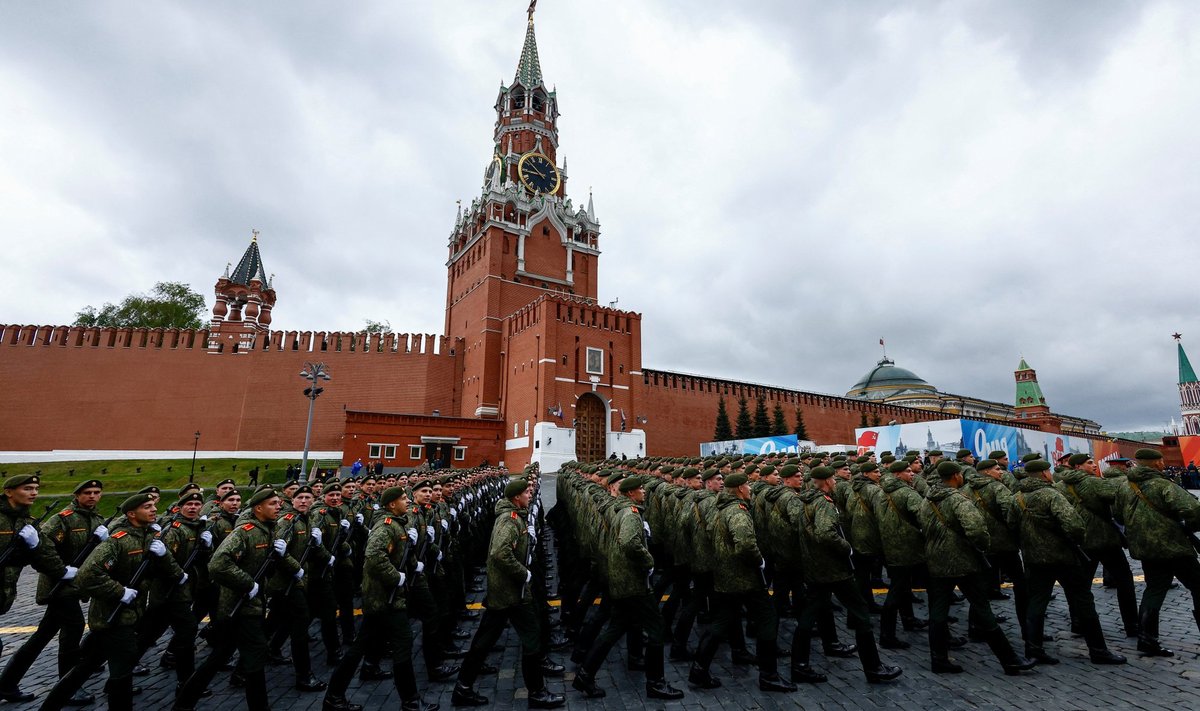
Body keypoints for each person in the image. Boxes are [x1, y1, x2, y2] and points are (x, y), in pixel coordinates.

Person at [39, 493, 180, 711]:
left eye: (154, 505)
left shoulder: (151, 538)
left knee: (86, 666)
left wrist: (163, 556)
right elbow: (87, 575)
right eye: (147, 506)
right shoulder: (118, 540)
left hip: (130, 613)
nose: (154, 509)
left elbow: (172, 574)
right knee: (123, 668)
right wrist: (119, 591)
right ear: (132, 514)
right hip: (112, 614)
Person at [174, 488, 301, 711]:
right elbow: (218, 564)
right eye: (272, 503)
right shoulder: (244, 532)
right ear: (258, 508)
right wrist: (248, 583)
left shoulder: (269, 530)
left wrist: (288, 563)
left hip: (251, 605)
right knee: (254, 657)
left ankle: (184, 703)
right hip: (239, 606)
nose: (278, 506)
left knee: (219, 657)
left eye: (278, 503)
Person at [451, 478, 565, 708]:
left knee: (485, 640)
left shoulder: (515, 517)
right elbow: (499, 553)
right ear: (516, 498)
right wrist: (523, 573)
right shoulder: (509, 521)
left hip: (507, 592)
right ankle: (536, 691)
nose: (529, 495)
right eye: (526, 493)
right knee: (530, 638)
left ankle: (463, 687)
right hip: (511, 592)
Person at [324, 486, 439, 711]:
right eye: (403, 499)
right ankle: (411, 701)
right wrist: (396, 577)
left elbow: (400, 555)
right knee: (402, 644)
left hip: (385, 597)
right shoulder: (386, 527)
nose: (408, 501)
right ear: (391, 504)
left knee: (361, 647)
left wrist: (414, 563)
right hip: (384, 597)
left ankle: (334, 695)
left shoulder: (397, 523)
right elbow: (374, 555)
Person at [572, 475, 683, 700]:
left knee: (616, 627)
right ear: (631, 493)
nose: (644, 491)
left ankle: (585, 674)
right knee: (655, 628)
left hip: (620, 579)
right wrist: (648, 561)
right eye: (640, 489)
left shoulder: (616, 509)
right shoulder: (631, 514)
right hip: (633, 582)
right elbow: (630, 542)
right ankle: (656, 682)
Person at [920, 461, 1033, 675]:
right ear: (955, 476)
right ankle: (1009, 659)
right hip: (962, 561)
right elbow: (976, 529)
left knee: (938, 611)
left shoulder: (927, 499)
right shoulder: (958, 499)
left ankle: (939, 659)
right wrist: (982, 547)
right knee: (982, 608)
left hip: (936, 559)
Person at [0, 479, 105, 706]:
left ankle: (7, 683)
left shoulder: (97, 520)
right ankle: (67, 687)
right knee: (74, 627)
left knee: (43, 635)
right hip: (57, 587)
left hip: (70, 582)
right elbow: (46, 549)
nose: (34, 493)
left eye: (97, 492)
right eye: (27, 488)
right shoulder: (61, 519)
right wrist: (59, 570)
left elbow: (42, 552)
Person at [793, 466, 901, 685]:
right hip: (834, 569)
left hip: (816, 567)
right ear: (826, 481)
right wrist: (846, 548)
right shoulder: (823, 503)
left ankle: (799, 665)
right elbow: (825, 533)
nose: (834, 481)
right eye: (832, 478)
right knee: (861, 614)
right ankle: (874, 667)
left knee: (809, 614)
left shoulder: (805, 501)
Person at [689, 473, 796, 692]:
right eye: (746, 485)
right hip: (744, 577)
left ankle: (698, 670)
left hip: (725, 575)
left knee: (720, 623)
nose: (749, 488)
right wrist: (759, 561)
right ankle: (769, 675)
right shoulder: (737, 511)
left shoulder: (717, 508)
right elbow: (746, 544)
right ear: (739, 488)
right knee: (767, 619)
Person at [1015, 460, 1125, 666]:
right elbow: (1074, 525)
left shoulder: (1017, 498)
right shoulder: (1052, 495)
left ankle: (1033, 649)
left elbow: (1012, 526)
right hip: (1063, 557)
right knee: (1083, 599)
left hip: (1034, 558)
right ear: (1044, 473)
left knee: (1037, 602)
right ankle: (1098, 650)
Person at [1114, 448, 1200, 656]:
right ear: (1155, 463)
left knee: (1154, 590)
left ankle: (1147, 639)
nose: (1162, 463)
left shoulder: (1126, 486)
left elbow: (1117, 514)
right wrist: (1191, 527)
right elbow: (1193, 509)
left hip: (1146, 549)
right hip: (1174, 547)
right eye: (1160, 460)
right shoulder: (1163, 485)